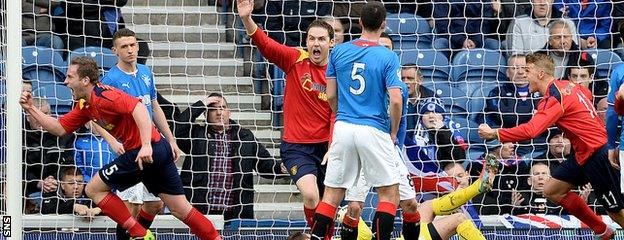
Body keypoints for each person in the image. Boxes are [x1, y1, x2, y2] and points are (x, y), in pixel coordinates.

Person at [19, 56, 222, 240]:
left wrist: (144, 146)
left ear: (85, 81)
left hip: (143, 151)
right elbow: (59, 128)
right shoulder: (85, 106)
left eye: (70, 77)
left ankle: (139, 233)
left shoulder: (105, 96)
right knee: (180, 210)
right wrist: (31, 109)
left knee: (93, 188)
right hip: (155, 150)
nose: (65, 82)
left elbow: (139, 108)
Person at [479, 52, 624, 239]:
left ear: (540, 74)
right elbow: (586, 94)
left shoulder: (555, 97)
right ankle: (602, 230)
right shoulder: (570, 86)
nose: (523, 74)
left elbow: (531, 131)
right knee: (552, 190)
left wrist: (495, 133)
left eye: (527, 70)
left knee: (615, 211)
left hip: (597, 154)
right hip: (582, 154)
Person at [237, 0, 335, 229]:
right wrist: (246, 18)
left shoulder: (337, 71)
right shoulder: (295, 59)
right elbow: (266, 44)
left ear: (331, 43)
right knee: (311, 195)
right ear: (306, 42)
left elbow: (335, 114)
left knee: (328, 203)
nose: (316, 43)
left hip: (327, 147)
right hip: (296, 147)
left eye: (321, 39)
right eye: (312, 39)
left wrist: (333, 147)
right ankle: (317, 235)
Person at [310, 2, 403, 239]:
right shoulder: (388, 56)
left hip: (343, 127)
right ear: (383, 24)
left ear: (359, 23)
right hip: (373, 128)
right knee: (389, 193)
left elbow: (331, 94)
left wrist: (342, 114)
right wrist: (393, 131)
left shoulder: (339, 51)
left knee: (331, 195)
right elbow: (395, 100)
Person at [99, 28, 182, 240]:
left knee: (155, 203)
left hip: (151, 146)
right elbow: (94, 116)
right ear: (114, 50)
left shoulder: (146, 72)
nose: (130, 50)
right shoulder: (110, 79)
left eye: (132, 45)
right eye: (124, 46)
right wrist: (110, 140)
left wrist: (171, 140)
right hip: (128, 148)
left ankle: (139, 235)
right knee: (130, 209)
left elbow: (154, 107)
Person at [337, 33, 421, 240]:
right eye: (379, 47)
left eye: (387, 49)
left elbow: (401, 124)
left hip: (388, 149)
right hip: (361, 147)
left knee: (410, 204)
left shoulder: (398, 88)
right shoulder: (358, 84)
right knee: (354, 207)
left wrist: (395, 146)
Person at [175, 93, 284, 220]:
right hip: (199, 209)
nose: (219, 112)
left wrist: (281, 167)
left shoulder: (244, 136)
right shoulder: (196, 134)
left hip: (236, 211)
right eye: (213, 109)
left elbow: (265, 165)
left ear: (229, 112)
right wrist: (202, 104)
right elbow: (178, 127)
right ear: (205, 114)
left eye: (222, 108)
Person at [506, 0, 579, 55]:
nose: (542, 3)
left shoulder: (568, 23)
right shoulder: (519, 22)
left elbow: (575, 55)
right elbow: (515, 59)